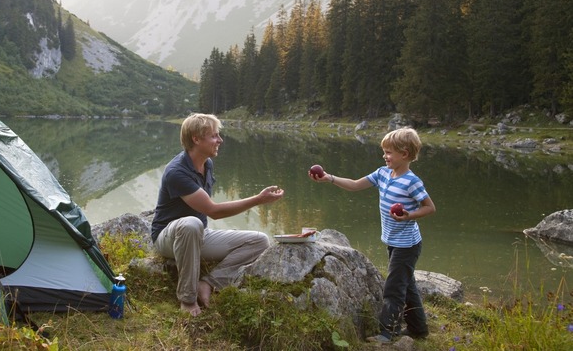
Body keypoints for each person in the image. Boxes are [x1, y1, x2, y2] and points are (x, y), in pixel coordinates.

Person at [308, 127, 436, 343]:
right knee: (407, 285)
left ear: (404, 154)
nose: (384, 156)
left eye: (389, 153)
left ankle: (388, 333)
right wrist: (329, 178)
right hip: (393, 242)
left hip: (407, 245)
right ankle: (418, 329)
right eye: (384, 152)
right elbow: (356, 185)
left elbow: (430, 208)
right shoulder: (383, 173)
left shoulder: (411, 182)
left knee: (393, 288)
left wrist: (409, 216)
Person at [151, 113, 285, 316]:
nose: (220, 140)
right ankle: (187, 300)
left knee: (259, 241)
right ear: (196, 139)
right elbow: (213, 211)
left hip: (198, 233)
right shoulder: (176, 172)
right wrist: (258, 199)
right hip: (169, 238)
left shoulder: (207, 164)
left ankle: (209, 283)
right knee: (191, 224)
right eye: (214, 136)